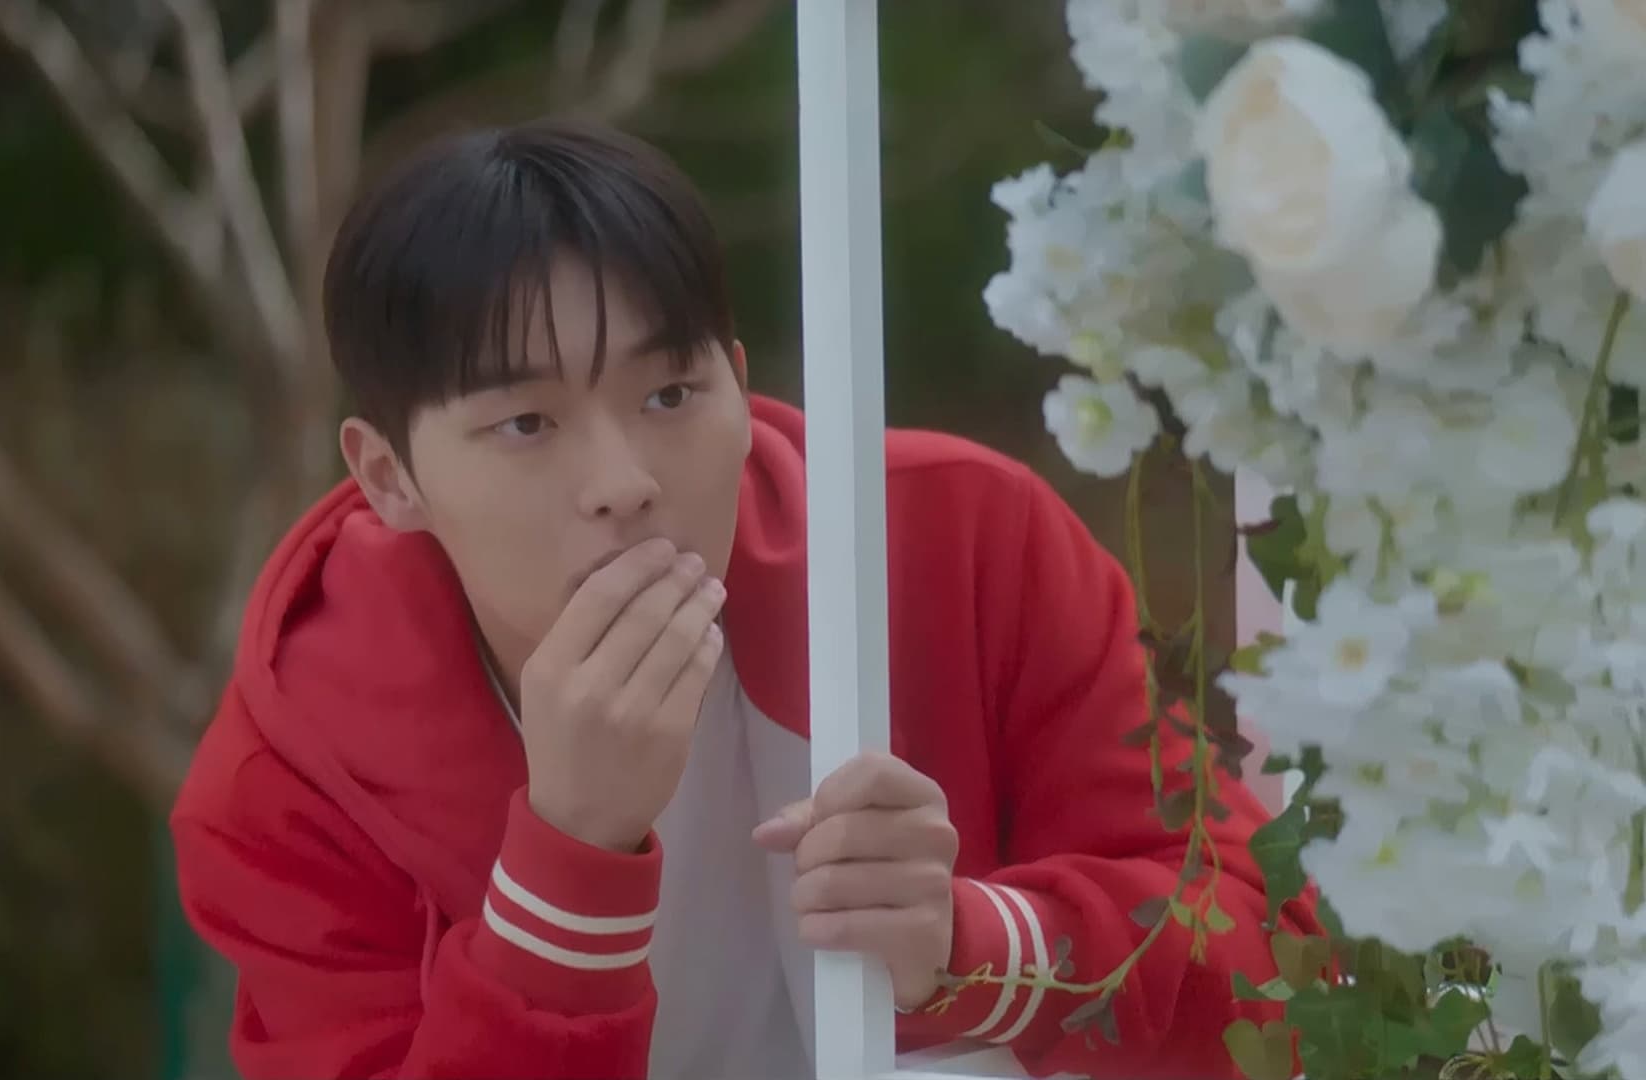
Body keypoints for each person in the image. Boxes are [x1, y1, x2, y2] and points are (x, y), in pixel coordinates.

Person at [170, 119, 1317, 1080]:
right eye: (526, 423)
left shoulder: (958, 543)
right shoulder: (294, 773)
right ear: (388, 477)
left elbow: (1282, 967)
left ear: (739, 375)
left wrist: (970, 941)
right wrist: (571, 856)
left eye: (670, 394)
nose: (623, 482)